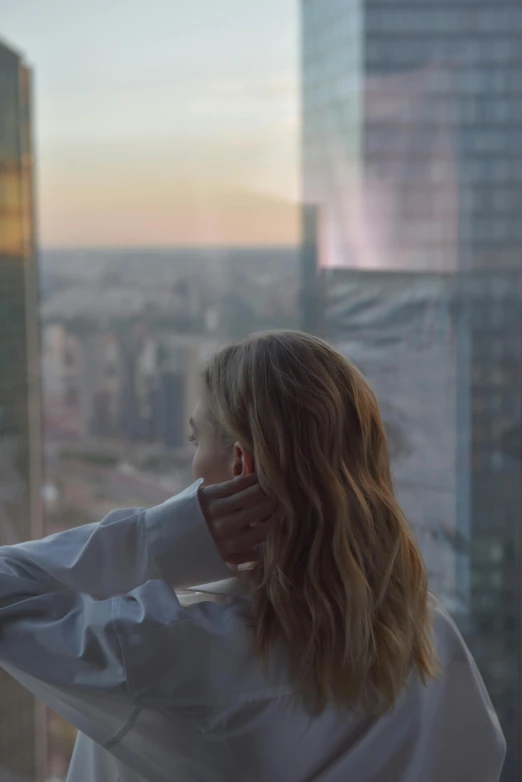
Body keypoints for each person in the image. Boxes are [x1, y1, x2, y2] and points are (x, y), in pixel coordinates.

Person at [0, 331, 505, 782]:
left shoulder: (166, 646)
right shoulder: (426, 635)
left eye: (197, 440)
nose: (192, 462)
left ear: (240, 464)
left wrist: (163, 537)